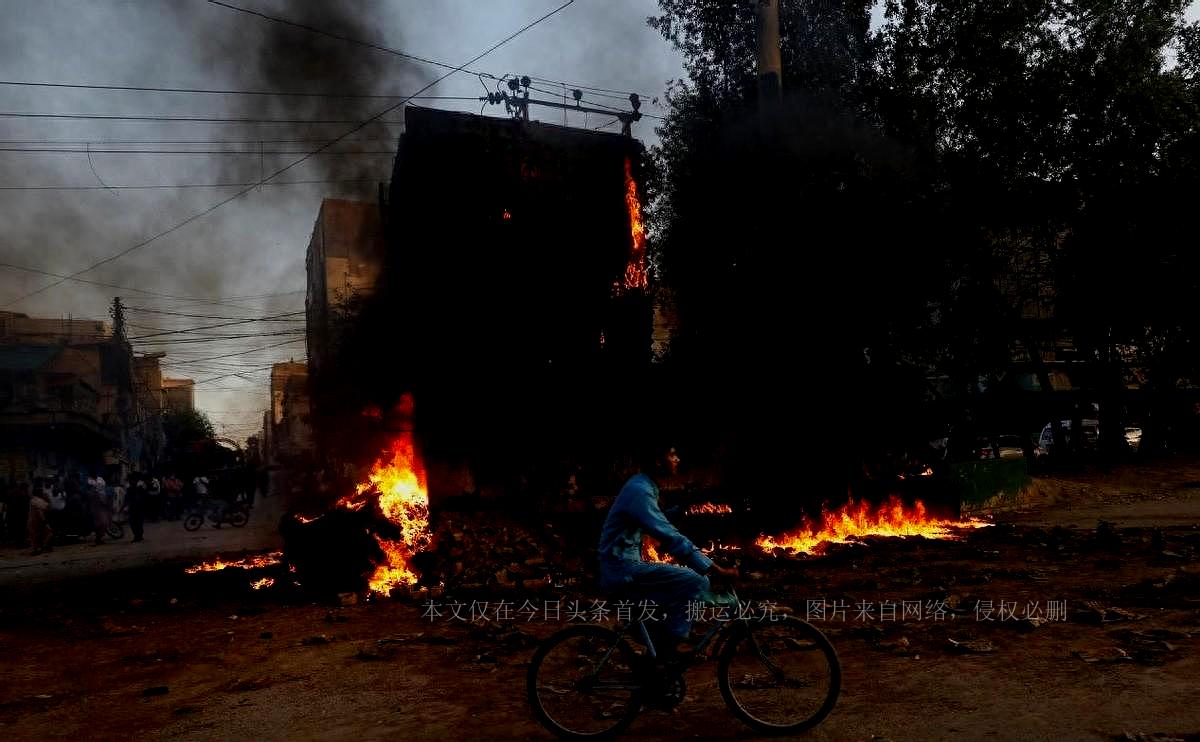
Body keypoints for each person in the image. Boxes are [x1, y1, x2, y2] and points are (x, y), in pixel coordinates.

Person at [597, 444, 738, 665]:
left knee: (677, 592)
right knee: (695, 581)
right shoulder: (640, 491)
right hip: (623, 569)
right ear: (657, 461)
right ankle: (665, 656)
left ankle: (656, 650)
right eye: (672, 454)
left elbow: (656, 519)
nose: (677, 459)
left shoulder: (643, 486)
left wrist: (684, 508)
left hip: (623, 565)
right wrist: (712, 568)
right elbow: (667, 534)